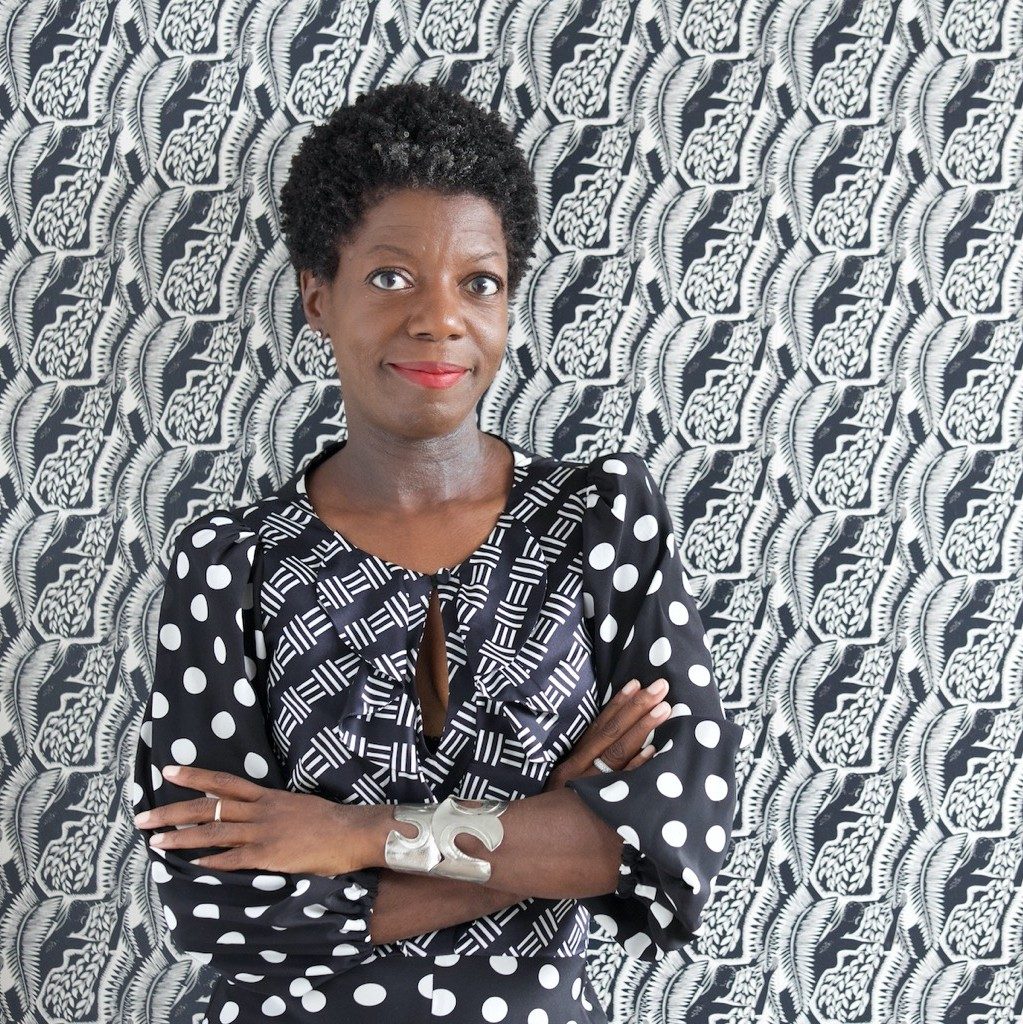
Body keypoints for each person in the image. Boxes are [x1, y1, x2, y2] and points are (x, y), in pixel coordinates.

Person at [131, 80, 745, 1023]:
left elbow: (673, 836)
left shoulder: (598, 520)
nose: (438, 318)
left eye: (479, 281)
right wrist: (550, 826)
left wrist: (352, 834)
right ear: (316, 296)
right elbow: (223, 908)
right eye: (389, 277)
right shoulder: (229, 563)